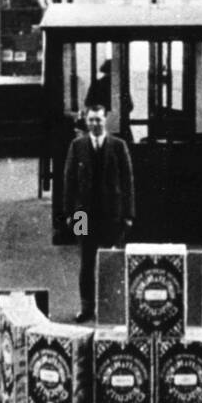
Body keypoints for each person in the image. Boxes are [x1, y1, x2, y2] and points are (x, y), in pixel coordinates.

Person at [63, 103, 135, 323]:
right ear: (86, 121)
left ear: (106, 120)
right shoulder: (77, 146)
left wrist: (129, 215)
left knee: (111, 260)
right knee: (86, 262)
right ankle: (87, 308)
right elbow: (69, 182)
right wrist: (70, 215)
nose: (95, 123)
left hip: (111, 214)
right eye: (91, 119)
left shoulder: (119, 146)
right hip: (82, 216)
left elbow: (128, 181)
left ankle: (111, 307)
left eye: (99, 119)